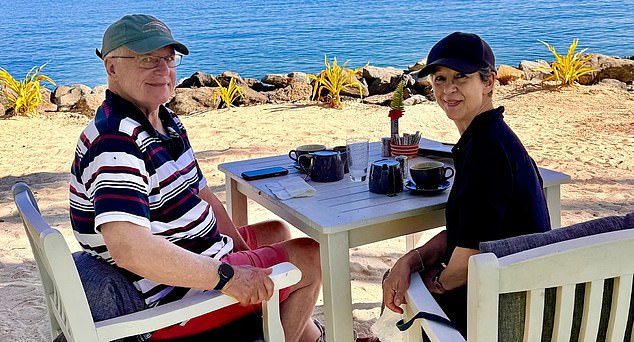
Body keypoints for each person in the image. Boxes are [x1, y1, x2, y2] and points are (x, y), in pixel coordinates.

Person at [68, 14, 323, 342]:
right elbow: (130, 249)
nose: (163, 69)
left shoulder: (164, 122)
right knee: (311, 257)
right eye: (147, 59)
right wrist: (230, 276)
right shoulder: (116, 141)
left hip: (192, 255)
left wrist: (239, 254)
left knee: (275, 231)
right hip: (171, 295)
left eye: (168, 58)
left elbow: (204, 197)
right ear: (111, 66)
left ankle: (311, 337)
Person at [380, 32, 551, 337]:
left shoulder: (487, 150)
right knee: (400, 277)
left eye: (461, 77)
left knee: (400, 291)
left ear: (489, 83)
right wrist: (410, 259)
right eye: (440, 78)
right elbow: (468, 233)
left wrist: (435, 286)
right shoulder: (488, 138)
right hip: (517, 291)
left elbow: (469, 254)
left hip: (502, 309)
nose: (448, 89)